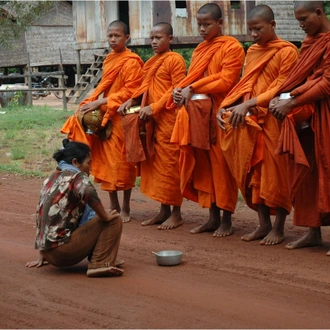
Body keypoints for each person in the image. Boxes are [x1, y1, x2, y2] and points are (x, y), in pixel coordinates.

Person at [217, 5, 299, 245]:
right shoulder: (252, 50)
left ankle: (279, 227)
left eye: (258, 29)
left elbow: (281, 86)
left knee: (276, 172)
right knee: (253, 172)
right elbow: (245, 83)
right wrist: (228, 105)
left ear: (272, 25)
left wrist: (248, 104)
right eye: (250, 30)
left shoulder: (287, 51)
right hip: (250, 119)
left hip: (274, 118)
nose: (253, 34)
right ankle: (263, 224)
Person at [166, 3, 245, 236]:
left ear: (220, 23)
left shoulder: (232, 47)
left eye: (207, 24)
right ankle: (212, 217)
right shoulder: (200, 49)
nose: (201, 29)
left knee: (222, 166)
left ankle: (226, 220)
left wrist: (192, 86)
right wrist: (179, 90)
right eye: (199, 24)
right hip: (198, 113)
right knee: (204, 165)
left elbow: (226, 80)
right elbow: (193, 76)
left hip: (221, 111)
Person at [61, 20, 144, 223]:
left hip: (121, 116)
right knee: (106, 163)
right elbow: (105, 86)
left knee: (122, 164)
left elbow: (131, 91)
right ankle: (113, 203)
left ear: (127, 38)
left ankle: (125, 206)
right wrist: (92, 103)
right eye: (110, 36)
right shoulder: (108, 60)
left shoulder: (132, 61)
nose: (113, 39)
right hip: (104, 117)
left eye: (117, 36)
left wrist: (102, 101)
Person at [269, 1, 330, 254]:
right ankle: (312, 232)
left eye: (304, 19)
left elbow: (326, 83)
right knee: (308, 171)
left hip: (327, 116)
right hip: (308, 118)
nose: (301, 25)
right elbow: (298, 78)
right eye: (298, 21)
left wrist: (292, 100)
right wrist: (281, 97)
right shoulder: (308, 44)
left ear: (319, 12)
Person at [117, 22, 186, 229]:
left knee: (171, 167)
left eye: (159, 38)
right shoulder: (151, 62)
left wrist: (154, 107)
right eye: (152, 38)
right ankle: (163, 211)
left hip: (170, 120)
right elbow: (143, 87)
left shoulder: (175, 60)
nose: (154, 42)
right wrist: (133, 101)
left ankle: (176, 213)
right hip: (151, 121)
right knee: (157, 166)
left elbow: (176, 89)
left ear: (170, 39)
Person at [26, 139, 124, 278]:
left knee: (94, 215)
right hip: (63, 252)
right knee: (113, 218)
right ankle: (100, 262)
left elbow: (43, 213)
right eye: (88, 163)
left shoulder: (51, 177)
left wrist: (43, 252)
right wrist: (104, 216)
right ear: (75, 163)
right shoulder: (76, 176)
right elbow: (89, 192)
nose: (90, 168)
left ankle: (103, 256)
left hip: (48, 252)